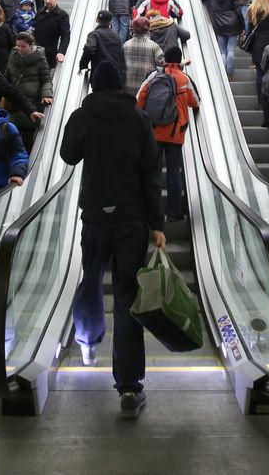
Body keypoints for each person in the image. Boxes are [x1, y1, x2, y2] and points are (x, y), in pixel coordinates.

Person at [60, 61, 165, 418]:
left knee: (91, 282)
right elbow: (151, 170)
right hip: (132, 219)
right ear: (121, 86)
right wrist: (157, 221)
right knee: (126, 298)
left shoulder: (82, 115)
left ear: (93, 84)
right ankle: (129, 388)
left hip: (94, 215)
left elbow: (68, 155)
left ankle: (88, 343)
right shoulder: (137, 118)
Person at [136, 46, 198, 222]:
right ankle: (173, 213)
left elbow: (139, 99)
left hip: (153, 132)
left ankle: (150, 211)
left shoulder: (153, 76)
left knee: (152, 173)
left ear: (164, 59)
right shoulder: (184, 78)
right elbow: (195, 102)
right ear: (179, 61)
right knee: (173, 173)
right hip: (175, 134)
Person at [5, 31, 53, 151]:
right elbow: (7, 76)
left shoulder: (39, 58)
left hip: (32, 103)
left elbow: (46, 79)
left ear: (31, 45)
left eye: (23, 46)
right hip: (14, 103)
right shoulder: (13, 55)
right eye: (18, 46)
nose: (20, 49)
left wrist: (46, 93)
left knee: (28, 138)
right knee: (12, 137)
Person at [78, 9, 127, 86]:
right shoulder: (116, 37)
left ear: (97, 19)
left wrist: (83, 65)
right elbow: (121, 55)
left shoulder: (94, 35)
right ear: (110, 21)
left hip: (99, 75)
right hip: (114, 76)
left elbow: (89, 49)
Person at [201, 0, 244, 74]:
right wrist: (242, 26)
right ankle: (229, 72)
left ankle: (223, 73)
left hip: (219, 23)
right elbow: (238, 10)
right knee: (230, 49)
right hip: (233, 23)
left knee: (222, 50)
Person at [121, 16, 164, 96]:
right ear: (148, 29)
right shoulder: (153, 46)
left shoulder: (126, 45)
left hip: (128, 89)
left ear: (133, 29)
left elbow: (121, 64)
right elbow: (163, 63)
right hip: (146, 88)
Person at [33, 0, 72, 69]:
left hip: (49, 54)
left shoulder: (62, 15)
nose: (47, 1)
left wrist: (61, 52)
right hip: (35, 52)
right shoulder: (40, 12)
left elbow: (65, 35)